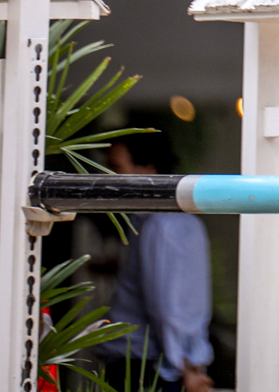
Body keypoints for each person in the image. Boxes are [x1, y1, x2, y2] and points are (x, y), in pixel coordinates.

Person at [93, 132, 216, 392]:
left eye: (115, 168)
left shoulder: (162, 226)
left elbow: (168, 306)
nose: (106, 178)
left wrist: (185, 369)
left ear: (147, 169)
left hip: (151, 368)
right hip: (149, 364)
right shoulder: (156, 222)